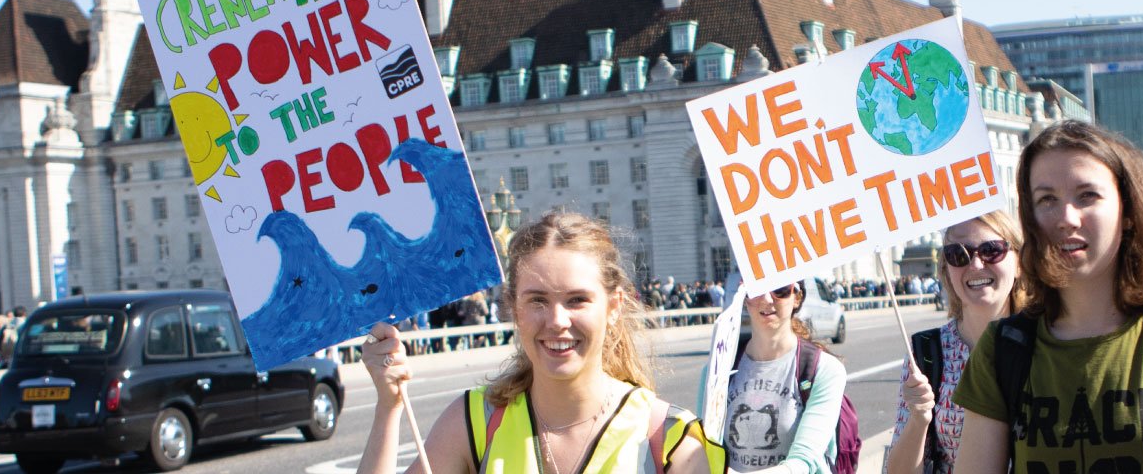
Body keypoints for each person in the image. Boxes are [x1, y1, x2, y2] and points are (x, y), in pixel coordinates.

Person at [953, 121, 1143, 473]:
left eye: (1087, 196)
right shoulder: (1003, 349)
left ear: (1126, 212)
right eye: (1046, 199)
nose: (1066, 218)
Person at [356, 213, 725, 473]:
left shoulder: (669, 438)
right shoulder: (474, 422)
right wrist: (388, 407)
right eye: (537, 301)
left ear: (613, 306)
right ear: (513, 308)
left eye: (577, 299)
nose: (557, 321)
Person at [886, 211, 1027, 474]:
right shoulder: (927, 352)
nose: (975, 264)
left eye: (991, 250)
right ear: (946, 271)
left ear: (1019, 262)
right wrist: (919, 418)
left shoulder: (1048, 340)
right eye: (958, 254)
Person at [707, 280, 846, 473]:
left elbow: (803, 462)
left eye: (780, 290)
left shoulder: (825, 369)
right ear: (745, 298)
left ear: (797, 297)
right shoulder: (717, 369)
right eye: (755, 290)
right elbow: (707, 447)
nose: (766, 299)